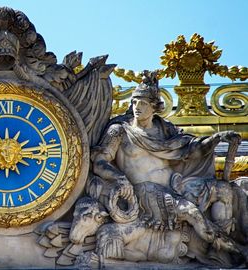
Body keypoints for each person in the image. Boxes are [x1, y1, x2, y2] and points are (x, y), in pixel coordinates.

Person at [92, 71, 244, 256]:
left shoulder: (165, 130)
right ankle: (234, 253)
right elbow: (99, 162)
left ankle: (220, 248)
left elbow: (191, 150)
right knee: (193, 214)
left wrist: (216, 138)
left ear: (154, 107)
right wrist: (119, 178)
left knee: (224, 191)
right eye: (134, 102)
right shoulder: (119, 131)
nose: (136, 107)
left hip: (176, 186)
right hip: (146, 193)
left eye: (142, 103)